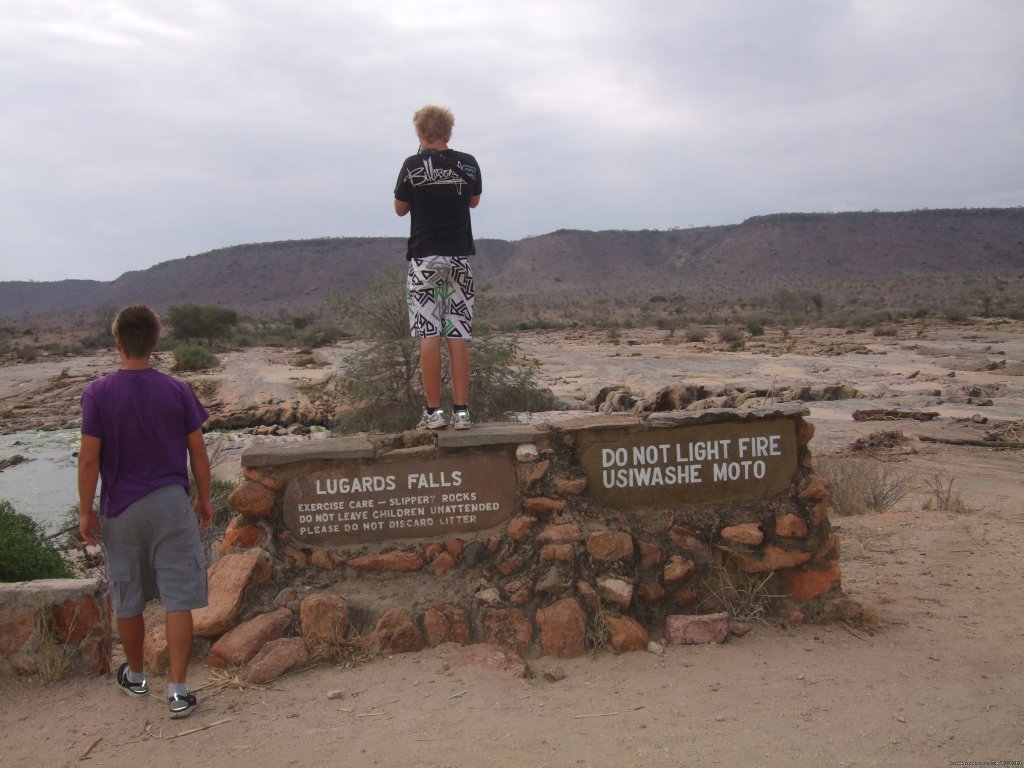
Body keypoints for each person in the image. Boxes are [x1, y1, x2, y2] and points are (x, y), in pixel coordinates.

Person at [78, 304, 212, 720]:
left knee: (128, 596)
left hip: (121, 508)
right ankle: (177, 692)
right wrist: (204, 499)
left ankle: (136, 676)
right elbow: (198, 453)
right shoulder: (177, 390)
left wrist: (86, 511)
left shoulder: (97, 394)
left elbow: (89, 460)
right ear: (155, 343)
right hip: (171, 504)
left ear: (117, 344)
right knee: (177, 598)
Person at [394, 104, 482, 430]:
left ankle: (434, 413)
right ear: (449, 131)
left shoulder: (412, 165)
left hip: (424, 259)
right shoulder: (469, 164)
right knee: (456, 334)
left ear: (420, 133)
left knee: (428, 334)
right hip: (459, 257)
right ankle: (462, 412)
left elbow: (400, 208)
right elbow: (473, 201)